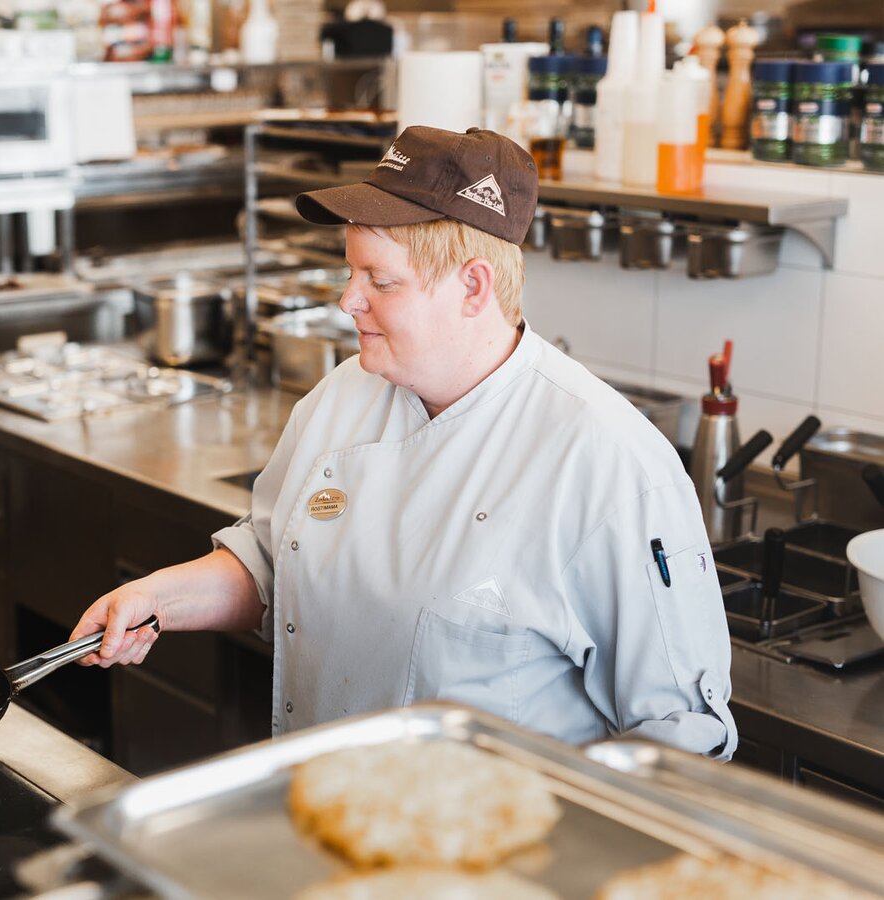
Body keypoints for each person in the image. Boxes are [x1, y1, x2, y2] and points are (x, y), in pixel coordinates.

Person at [70, 126, 736, 759]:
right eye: (350, 272)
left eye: (379, 281)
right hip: (323, 809)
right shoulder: (341, 397)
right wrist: (157, 601)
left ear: (472, 286)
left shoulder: (610, 463)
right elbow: (275, 564)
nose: (347, 301)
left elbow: (680, 735)